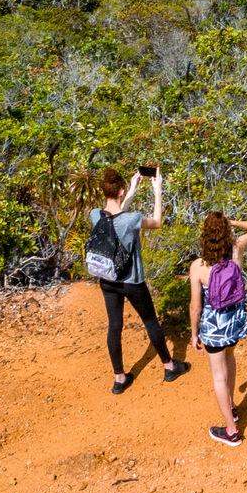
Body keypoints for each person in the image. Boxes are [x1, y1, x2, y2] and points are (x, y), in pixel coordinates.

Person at [88, 166, 188, 394]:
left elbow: (114, 217)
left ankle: (119, 378)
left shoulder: (95, 215)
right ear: (120, 191)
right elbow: (157, 221)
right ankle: (169, 366)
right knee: (150, 321)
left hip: (108, 278)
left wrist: (131, 189)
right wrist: (158, 190)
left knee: (114, 326)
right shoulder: (132, 219)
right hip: (132, 281)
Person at [188, 211, 247, 447]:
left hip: (213, 328)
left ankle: (231, 431)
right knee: (230, 358)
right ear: (225, 233)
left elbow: (195, 306)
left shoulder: (199, 267)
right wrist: (232, 222)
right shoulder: (236, 250)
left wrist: (194, 333)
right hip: (235, 323)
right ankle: (232, 405)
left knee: (218, 377)